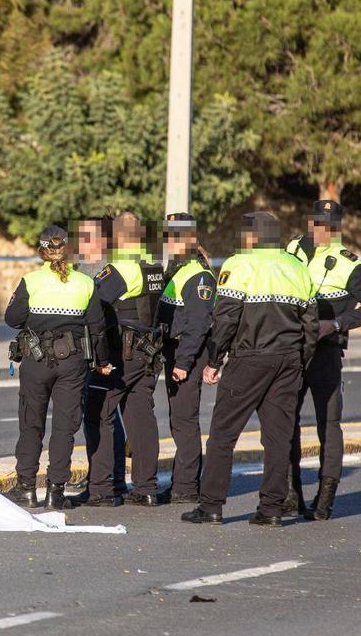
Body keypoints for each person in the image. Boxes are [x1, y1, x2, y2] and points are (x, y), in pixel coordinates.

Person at [182, 212, 318, 527]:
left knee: (223, 433)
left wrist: (214, 360)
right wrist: (301, 362)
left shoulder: (239, 264)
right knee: (278, 437)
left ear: (252, 237)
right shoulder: (297, 267)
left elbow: (226, 318)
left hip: (250, 357)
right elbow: (310, 325)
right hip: (288, 359)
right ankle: (272, 509)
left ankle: (211, 506)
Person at [284, 200, 361, 519]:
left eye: (328, 225)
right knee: (284, 419)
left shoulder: (348, 263)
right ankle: (291, 493)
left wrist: (337, 324)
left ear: (336, 228)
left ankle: (325, 498)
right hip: (292, 349)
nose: (321, 229)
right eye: (317, 222)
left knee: (328, 423)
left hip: (325, 352)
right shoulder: (292, 248)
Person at [4, 225, 111, 510]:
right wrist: (102, 362)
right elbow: (97, 328)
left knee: (31, 423)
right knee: (65, 428)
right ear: (69, 249)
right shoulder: (85, 283)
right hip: (72, 363)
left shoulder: (31, 281)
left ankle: (26, 488)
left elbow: (12, 319)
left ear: (42, 251)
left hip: (36, 360)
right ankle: (56, 492)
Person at [82, 212, 165, 507]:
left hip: (121, 352)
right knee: (141, 418)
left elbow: (91, 302)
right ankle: (146, 488)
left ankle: (102, 489)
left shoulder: (121, 268)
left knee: (98, 413)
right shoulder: (154, 265)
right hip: (147, 352)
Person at [156, 213, 215, 504]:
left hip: (187, 352)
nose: (170, 241)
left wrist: (183, 362)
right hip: (176, 351)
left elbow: (199, 324)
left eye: (176, 236)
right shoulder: (177, 269)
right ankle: (181, 482)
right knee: (178, 419)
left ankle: (187, 487)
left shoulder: (198, 274)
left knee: (185, 420)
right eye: (168, 235)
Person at [70, 216, 127, 499]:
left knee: (101, 416)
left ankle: (107, 481)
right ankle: (110, 478)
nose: (82, 241)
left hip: (105, 351)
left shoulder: (109, 269)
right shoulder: (77, 267)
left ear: (104, 240)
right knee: (101, 416)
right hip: (85, 351)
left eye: (88, 236)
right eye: (80, 235)